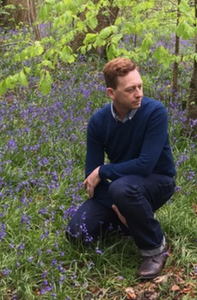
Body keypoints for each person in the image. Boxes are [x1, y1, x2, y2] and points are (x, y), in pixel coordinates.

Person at [66, 57, 177, 280]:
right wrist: (117, 207)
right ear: (111, 93)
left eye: (140, 86)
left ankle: (155, 249)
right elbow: (91, 175)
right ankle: (131, 219)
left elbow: (145, 165)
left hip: (157, 181)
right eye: (130, 89)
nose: (139, 93)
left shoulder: (155, 112)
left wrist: (103, 171)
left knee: (122, 188)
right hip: (120, 189)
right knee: (77, 233)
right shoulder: (98, 122)